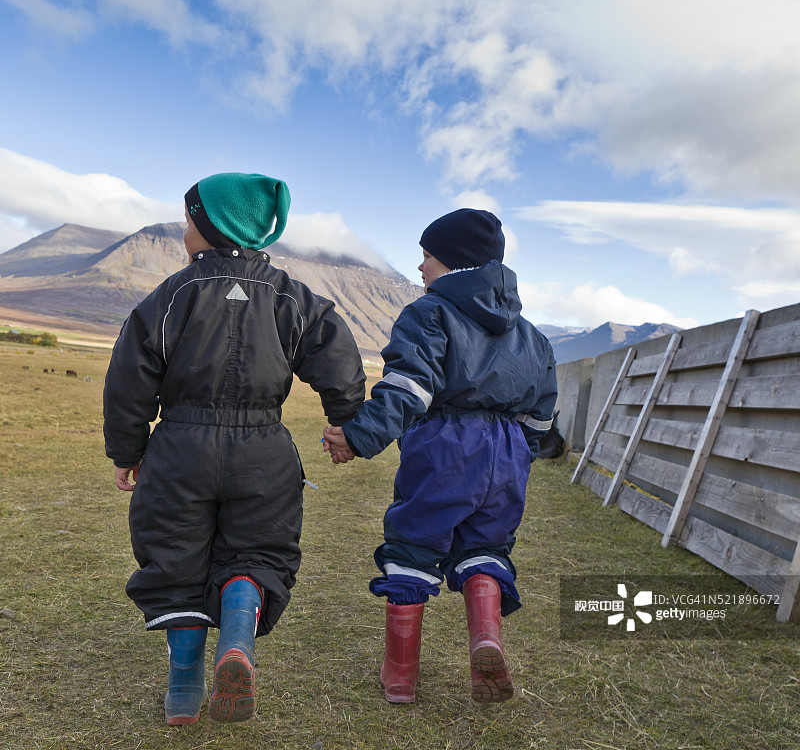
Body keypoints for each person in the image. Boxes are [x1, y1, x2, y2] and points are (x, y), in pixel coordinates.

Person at [103, 172, 365, 725]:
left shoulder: (172, 295)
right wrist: (344, 423)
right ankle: (237, 645)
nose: (183, 228)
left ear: (210, 224)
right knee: (257, 554)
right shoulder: (293, 298)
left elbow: (129, 377)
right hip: (265, 453)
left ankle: (182, 693)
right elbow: (338, 359)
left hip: (178, 450)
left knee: (175, 560)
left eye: (189, 217)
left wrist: (128, 449)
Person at [323, 208, 557, 704]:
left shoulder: (429, 313)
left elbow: (409, 389)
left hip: (446, 446)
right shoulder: (532, 334)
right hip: (509, 453)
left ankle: (400, 676)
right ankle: (486, 639)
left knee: (414, 546)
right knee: (486, 547)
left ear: (451, 261)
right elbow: (543, 412)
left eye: (427, 256)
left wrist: (357, 436)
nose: (421, 268)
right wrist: (522, 455)